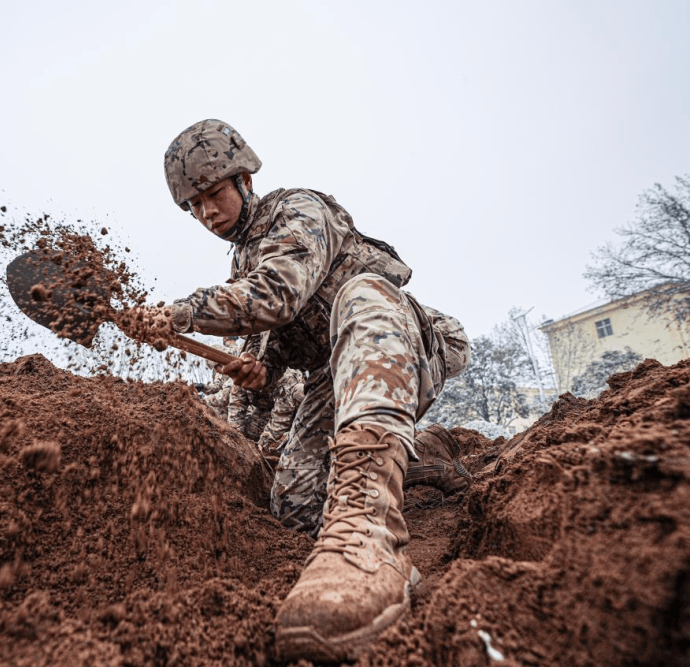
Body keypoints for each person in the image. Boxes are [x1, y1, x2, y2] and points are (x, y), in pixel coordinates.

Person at [137, 119, 471, 662]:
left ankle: (370, 531)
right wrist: (257, 374)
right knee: (292, 505)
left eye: (214, 194)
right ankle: (423, 457)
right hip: (331, 378)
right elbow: (269, 362)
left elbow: (279, 295)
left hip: (401, 344)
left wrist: (180, 312)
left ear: (244, 178)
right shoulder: (242, 263)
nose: (208, 214)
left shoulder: (298, 210)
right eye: (193, 207)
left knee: (362, 293)